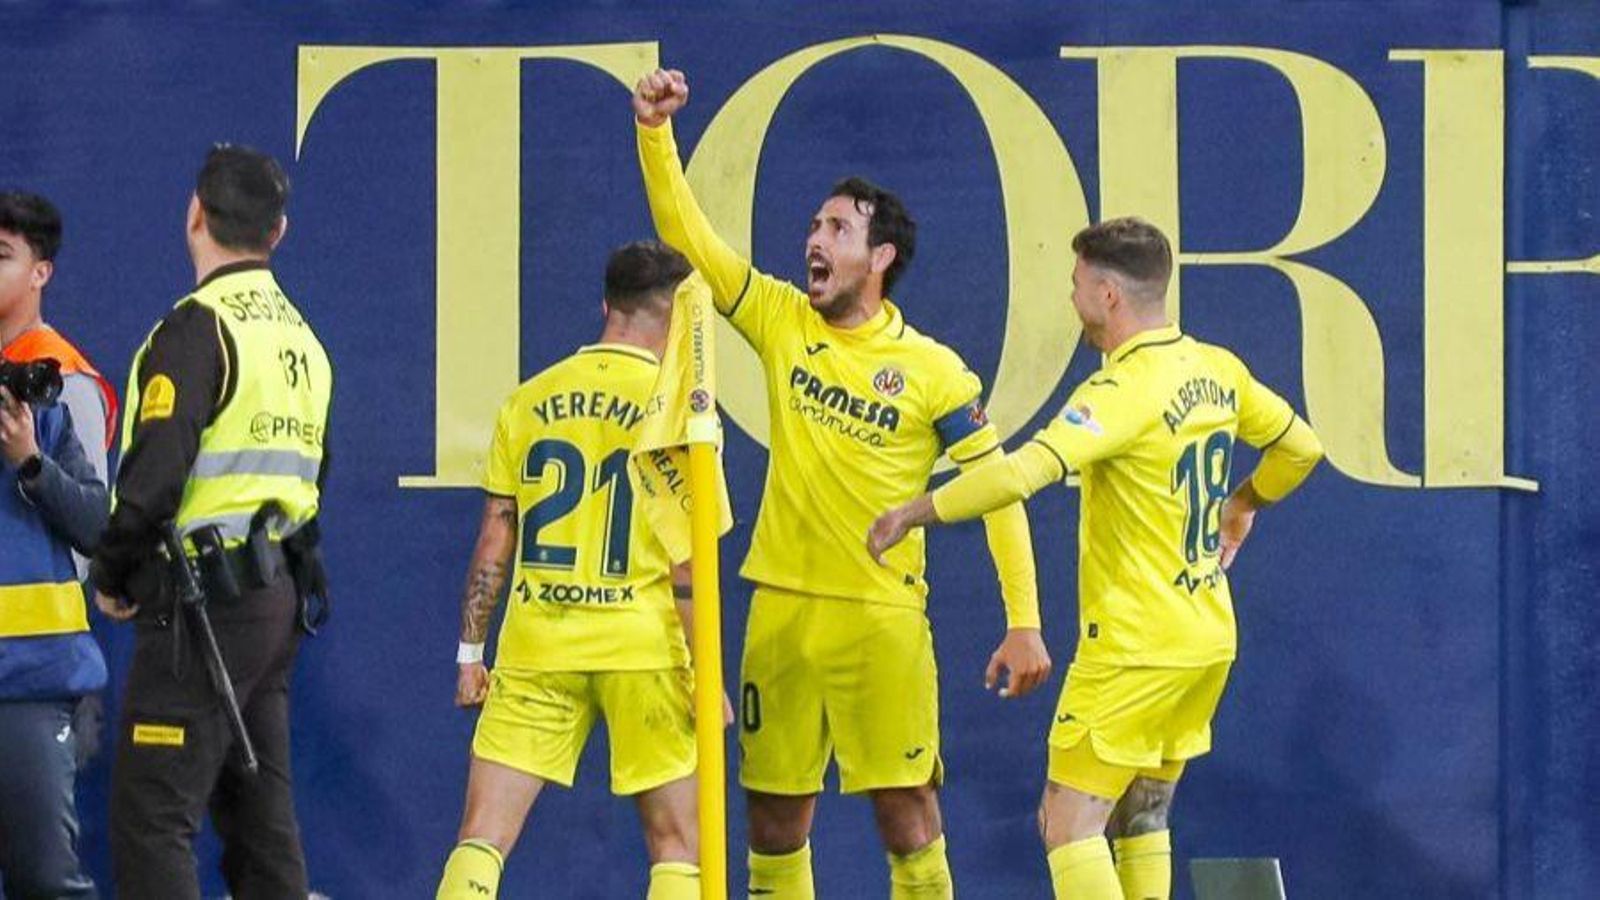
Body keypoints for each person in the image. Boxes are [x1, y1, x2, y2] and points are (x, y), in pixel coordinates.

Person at [632, 68, 1051, 898]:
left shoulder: (933, 370)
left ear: (881, 255)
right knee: (773, 821)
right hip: (782, 610)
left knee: (909, 815)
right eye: (814, 225)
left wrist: (1024, 620)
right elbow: (691, 235)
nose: (813, 241)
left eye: (836, 227)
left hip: (880, 618)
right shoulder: (783, 319)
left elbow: (999, 485)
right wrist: (656, 133)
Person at [868, 217, 1326, 899]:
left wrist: (916, 510)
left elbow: (1023, 473)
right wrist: (1245, 501)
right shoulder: (1215, 369)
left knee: (1068, 823)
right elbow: (1302, 448)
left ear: (1110, 295)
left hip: (1133, 646)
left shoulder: (1120, 392)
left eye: (1078, 284)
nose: (1073, 298)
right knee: (1142, 811)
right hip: (1204, 636)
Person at [436, 241, 717, 900]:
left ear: (605, 307)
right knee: (676, 846)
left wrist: (471, 652)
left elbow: (494, 539)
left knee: (481, 837)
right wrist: (706, 673)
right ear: (676, 320)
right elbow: (687, 561)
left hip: (540, 643)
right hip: (642, 648)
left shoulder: (529, 401)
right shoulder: (679, 412)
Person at [89, 144, 332, 899]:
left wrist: (115, 570)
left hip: (203, 604)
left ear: (195, 214)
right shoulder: (303, 341)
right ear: (279, 231)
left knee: (152, 816)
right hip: (274, 597)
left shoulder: (199, 327)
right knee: (260, 820)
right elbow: (314, 477)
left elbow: (157, 470)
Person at [0, 191, 115, 899]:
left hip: (33, 679)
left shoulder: (55, 382)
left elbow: (98, 535)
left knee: (45, 878)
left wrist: (28, 463)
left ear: (41, 271)